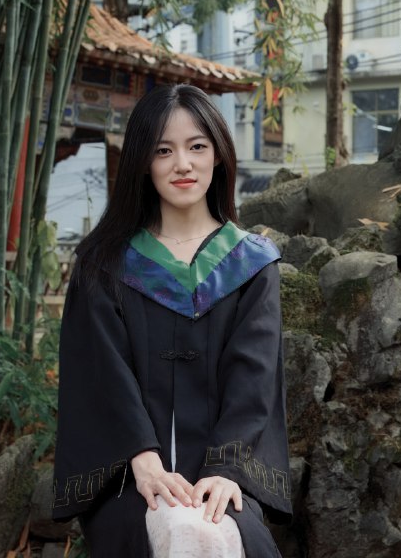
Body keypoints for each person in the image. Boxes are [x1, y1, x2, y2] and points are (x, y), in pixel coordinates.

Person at [52, 84, 291, 557]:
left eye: (197, 147)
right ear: (143, 161)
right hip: (130, 477)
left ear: (218, 155)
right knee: (165, 532)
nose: (183, 164)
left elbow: (254, 378)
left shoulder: (250, 264)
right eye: (164, 150)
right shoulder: (105, 265)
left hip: (222, 474)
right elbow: (102, 375)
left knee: (225, 535)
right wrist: (141, 458)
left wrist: (226, 470)